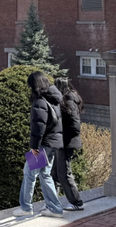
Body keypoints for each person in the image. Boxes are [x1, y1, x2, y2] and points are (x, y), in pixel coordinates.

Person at [13, 72, 64, 218]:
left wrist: (34, 146)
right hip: (53, 142)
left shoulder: (40, 102)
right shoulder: (54, 99)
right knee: (44, 174)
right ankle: (54, 207)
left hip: (43, 144)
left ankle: (26, 207)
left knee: (29, 173)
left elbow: (38, 127)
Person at [54, 77, 85, 211]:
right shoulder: (69, 100)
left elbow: (74, 126)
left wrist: (63, 137)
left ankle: (76, 202)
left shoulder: (68, 101)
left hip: (66, 143)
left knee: (64, 173)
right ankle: (52, 201)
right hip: (61, 142)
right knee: (54, 173)